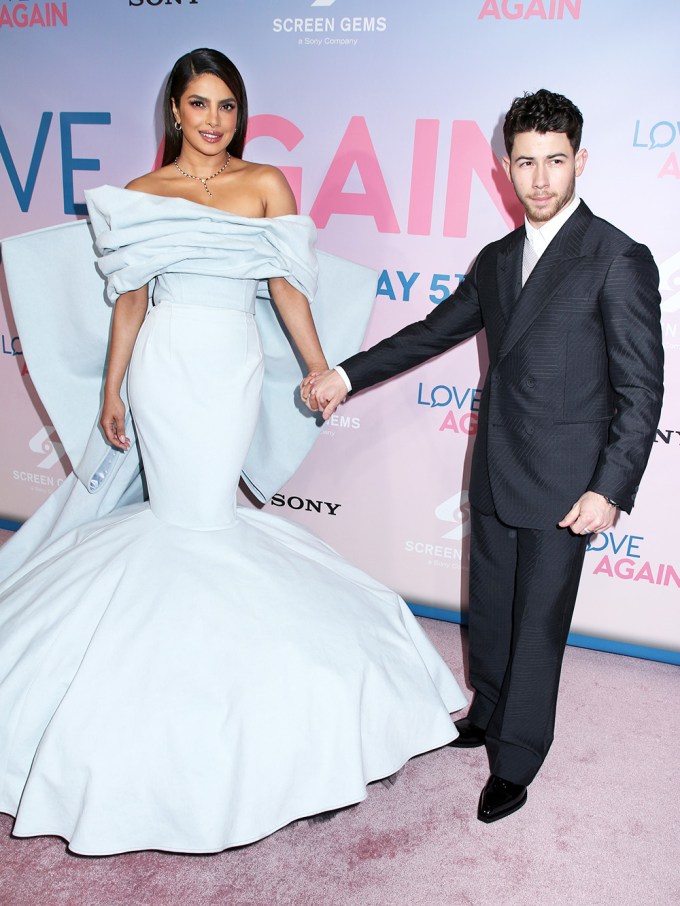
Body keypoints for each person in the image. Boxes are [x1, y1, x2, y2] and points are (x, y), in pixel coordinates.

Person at [0, 49, 467, 856]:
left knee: (209, 519)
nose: (214, 119)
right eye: (199, 104)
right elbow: (131, 301)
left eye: (226, 106)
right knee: (177, 523)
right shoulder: (142, 196)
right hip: (163, 367)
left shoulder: (266, 186)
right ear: (174, 112)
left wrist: (321, 365)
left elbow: (288, 286)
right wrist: (112, 391)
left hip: (230, 366)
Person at [302, 89, 664, 824]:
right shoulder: (497, 259)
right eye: (525, 163)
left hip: (567, 482)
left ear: (579, 161)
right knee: (493, 608)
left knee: (538, 623)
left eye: (554, 162)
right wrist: (344, 374)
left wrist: (611, 487)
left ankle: (519, 756)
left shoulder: (617, 257)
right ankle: (488, 712)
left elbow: (641, 388)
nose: (539, 179)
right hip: (495, 466)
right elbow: (433, 331)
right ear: (505, 167)